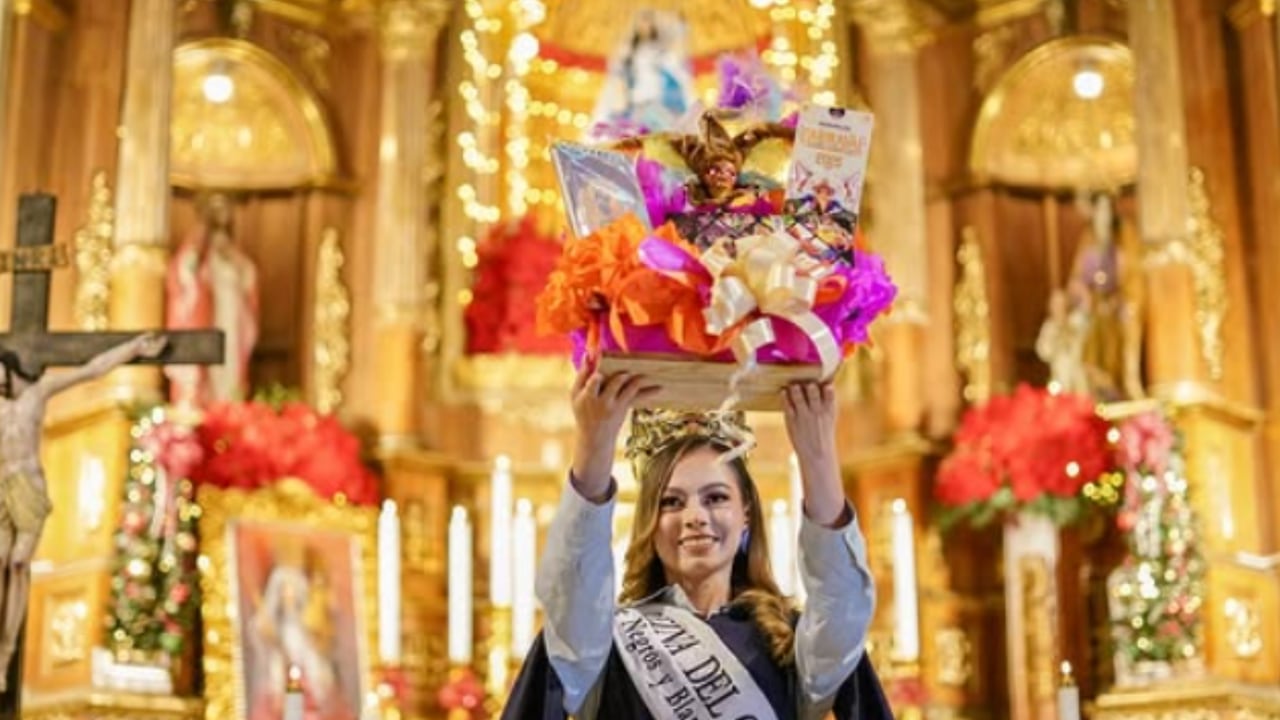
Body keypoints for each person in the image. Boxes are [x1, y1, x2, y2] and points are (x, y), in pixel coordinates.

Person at [502, 359, 890, 719]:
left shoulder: (788, 644)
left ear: (746, 517)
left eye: (716, 498)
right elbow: (571, 592)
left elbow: (843, 606)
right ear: (649, 524)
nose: (695, 518)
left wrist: (817, 455)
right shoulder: (606, 643)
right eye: (671, 502)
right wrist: (594, 445)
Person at [0, 332, 168, 689]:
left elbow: (91, 369)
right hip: (2, 490)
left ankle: (7, 646)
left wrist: (134, 348)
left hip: (29, 488)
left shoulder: (36, 393)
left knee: (18, 563)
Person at [166, 191, 260, 408]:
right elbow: (182, 274)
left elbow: (248, 279)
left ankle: (226, 404)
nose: (221, 214)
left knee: (228, 364)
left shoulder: (234, 255)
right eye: (216, 208)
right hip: (203, 315)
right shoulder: (196, 248)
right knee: (203, 363)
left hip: (231, 316)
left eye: (225, 208)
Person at [1035, 288, 1090, 394]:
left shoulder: (1075, 321)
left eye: (1061, 304)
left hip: (1078, 374)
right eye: (1055, 304)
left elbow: (1086, 315)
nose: (1058, 307)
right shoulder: (1049, 327)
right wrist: (1054, 336)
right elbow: (1043, 352)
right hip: (1059, 376)